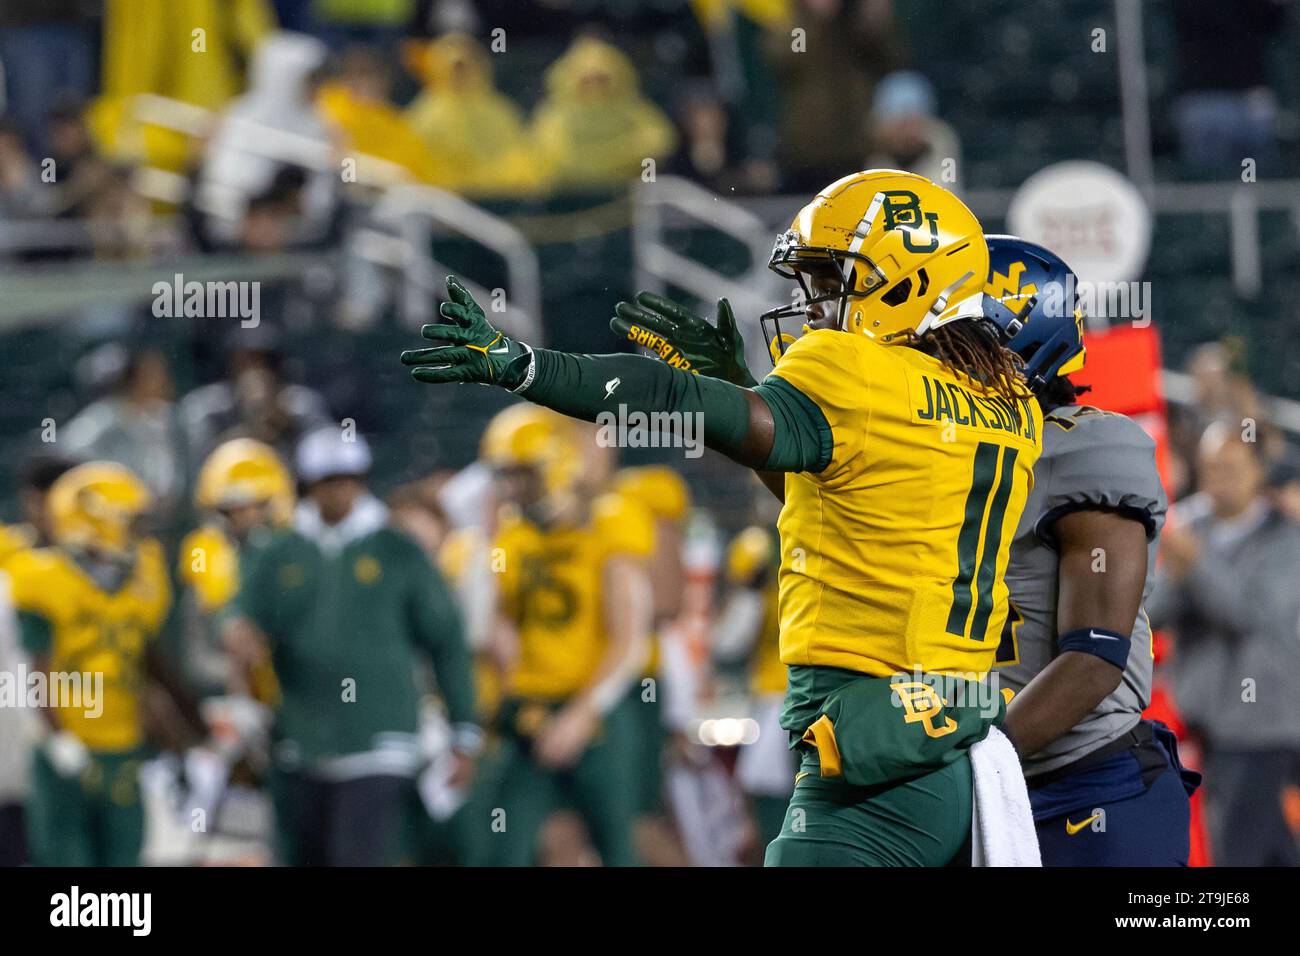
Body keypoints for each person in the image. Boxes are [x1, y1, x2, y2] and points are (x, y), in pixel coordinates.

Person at [403, 169, 1042, 866]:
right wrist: (743, 391)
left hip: (867, 734)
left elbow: (671, 394)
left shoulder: (855, 370)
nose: (814, 304)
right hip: (950, 732)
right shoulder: (1009, 403)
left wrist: (528, 369)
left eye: (833, 280)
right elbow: (851, 500)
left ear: (909, 280)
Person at [977, 236, 1197, 865]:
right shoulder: (944, 450)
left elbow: (1094, 656)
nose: (929, 353)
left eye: (954, 335)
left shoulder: (1080, 447)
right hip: (1001, 781)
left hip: (1089, 786)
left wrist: (977, 766)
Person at [224, 424, 479, 866]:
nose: (338, 491)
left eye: (347, 479)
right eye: (327, 481)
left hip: (378, 739)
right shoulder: (279, 552)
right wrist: (236, 631)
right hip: (298, 741)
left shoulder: (396, 550)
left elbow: (446, 639)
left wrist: (464, 732)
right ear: (309, 485)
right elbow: (237, 614)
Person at [477, 405, 655, 866]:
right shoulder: (512, 538)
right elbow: (497, 625)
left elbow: (631, 638)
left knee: (619, 848)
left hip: (597, 712)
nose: (513, 488)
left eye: (523, 474)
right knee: (502, 847)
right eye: (506, 476)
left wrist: (581, 714)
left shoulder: (611, 520)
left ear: (556, 464)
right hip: (531, 709)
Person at [7, 462, 206, 865]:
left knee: (124, 857)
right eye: (129, 521)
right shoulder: (44, 577)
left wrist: (193, 731)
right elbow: (35, 670)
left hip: (123, 740)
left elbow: (151, 657)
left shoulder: (141, 577)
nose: (139, 532)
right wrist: (55, 735)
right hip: (67, 744)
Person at [1148, 422, 1300, 866]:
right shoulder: (1188, 524)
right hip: (1204, 718)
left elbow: (1249, 615)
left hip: (1261, 723)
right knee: (1270, 847)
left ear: (1258, 471)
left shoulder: (1286, 539)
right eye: (1211, 469)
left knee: (1238, 849)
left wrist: (1196, 564)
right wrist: (1177, 570)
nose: (1218, 480)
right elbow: (1155, 611)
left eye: (1231, 469)